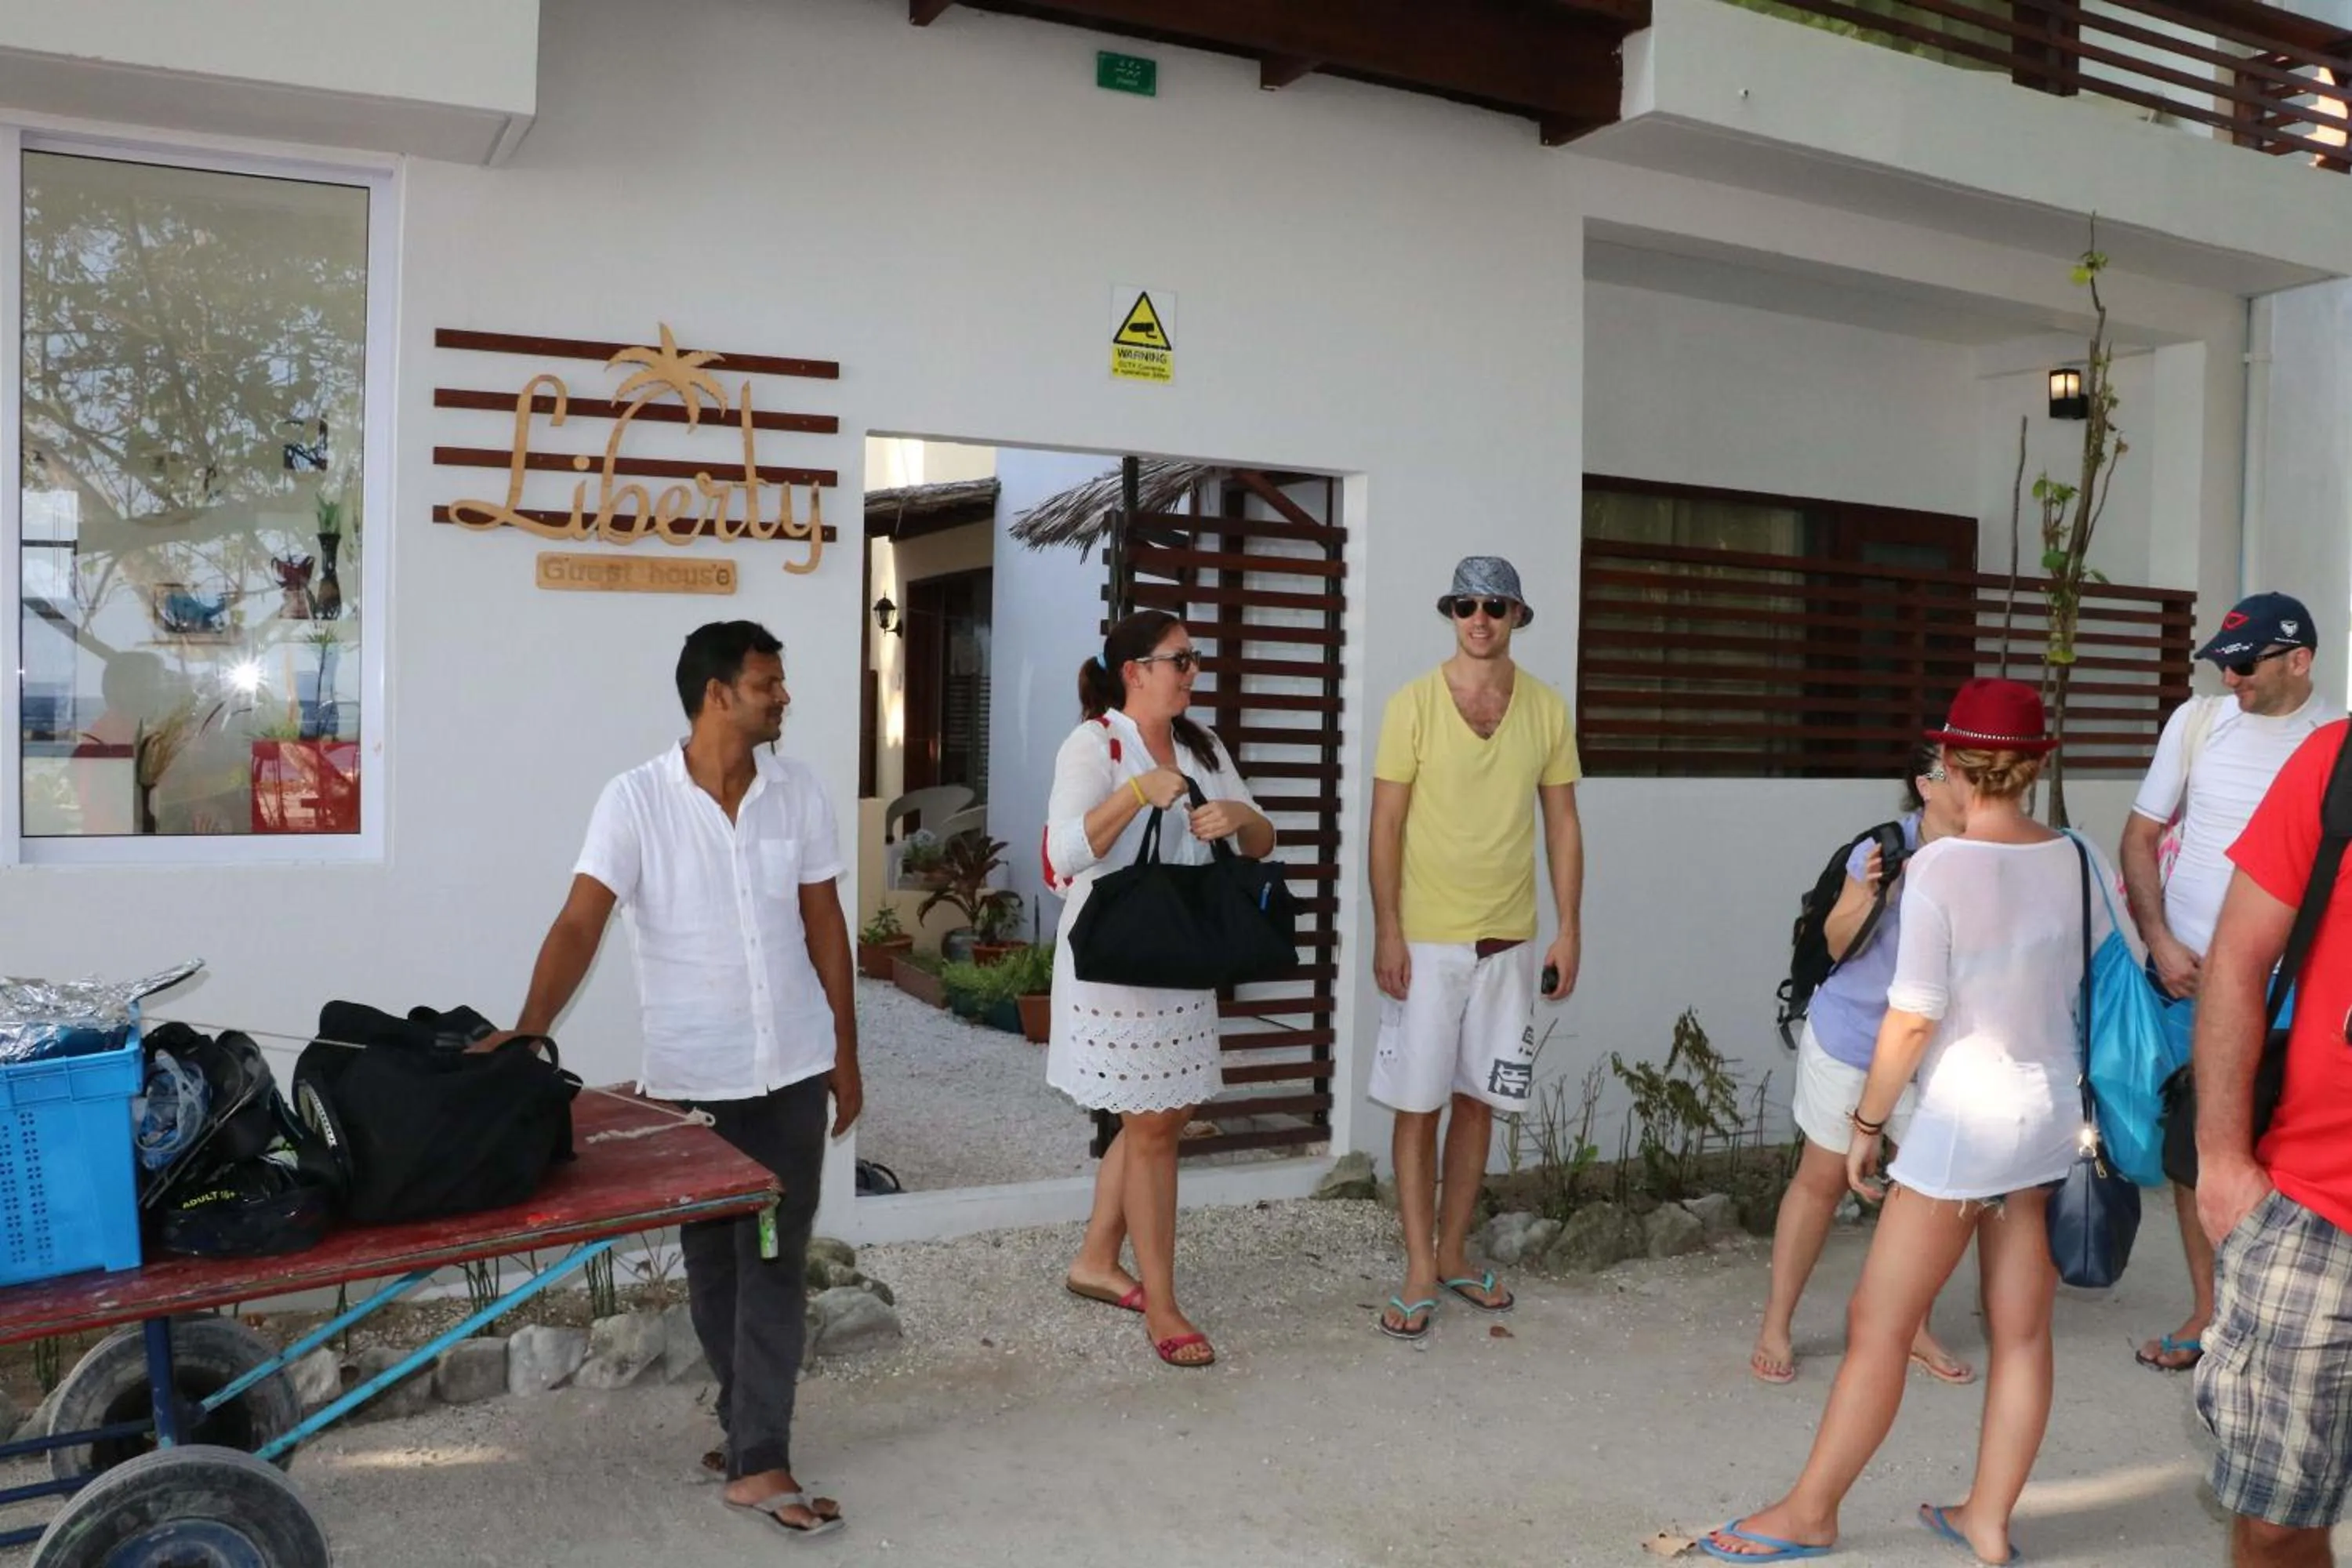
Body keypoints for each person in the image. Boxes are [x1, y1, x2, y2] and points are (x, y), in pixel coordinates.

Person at [1704, 680, 2119, 1565]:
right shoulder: (2080, 856)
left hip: (1963, 1123)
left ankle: (1811, 1510)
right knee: (2022, 1329)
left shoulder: (1939, 869)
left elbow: (1912, 1017)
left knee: (1878, 1322)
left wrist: (1866, 1120)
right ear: (2035, 763)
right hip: (2049, 1121)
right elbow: (2097, 980)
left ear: (1957, 766)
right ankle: (1989, 1519)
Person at [503, 620, 860, 1540]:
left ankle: (759, 1456)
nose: (783, 696)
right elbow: (582, 921)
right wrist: (527, 1032)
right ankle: (748, 1433)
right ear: (716, 693)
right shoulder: (635, 801)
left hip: (790, 1068)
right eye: (767, 683)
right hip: (694, 1079)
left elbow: (826, 928)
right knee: (714, 1268)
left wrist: (846, 1053)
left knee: (774, 1263)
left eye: (779, 682)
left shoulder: (799, 792)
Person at [1042, 609, 1276, 1369]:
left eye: (1195, 658)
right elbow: (1064, 853)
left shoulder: (1203, 744)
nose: (1192, 671)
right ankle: (1164, 1303)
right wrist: (1137, 791)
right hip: (1113, 960)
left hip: (1177, 956)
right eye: (1180, 659)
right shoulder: (1094, 743)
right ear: (1134, 669)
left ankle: (1095, 1260)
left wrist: (1237, 814)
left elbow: (1263, 838)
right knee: (1148, 1128)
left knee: (1157, 1119)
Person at [1368, 555, 1581, 1341]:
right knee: (1416, 1102)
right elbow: (1385, 823)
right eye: (1465, 604)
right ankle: (1419, 1267)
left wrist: (1570, 925)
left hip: (1510, 937)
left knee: (1478, 1098)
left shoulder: (1547, 710)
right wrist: (1388, 928)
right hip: (1425, 938)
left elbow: (1562, 822)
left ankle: (1453, 1251)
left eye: (1494, 604)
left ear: (1518, 614)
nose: (1479, 617)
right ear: (1451, 613)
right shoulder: (1413, 705)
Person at [2125, 592, 2336, 1372]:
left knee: (2285, 1160)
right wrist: (2158, 940)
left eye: (2244, 664)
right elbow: (2141, 835)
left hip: (2296, 994)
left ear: (2299, 660)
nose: (2231, 676)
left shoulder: (2333, 744)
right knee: (2195, 1147)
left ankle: (2279, 1315)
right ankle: (2212, 1309)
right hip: (2193, 983)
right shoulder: (2199, 721)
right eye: (2222, 662)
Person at [1749, 742, 1973, 1388]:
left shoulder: (1986, 854)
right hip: (1853, 1036)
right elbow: (1838, 942)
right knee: (1820, 1178)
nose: (1966, 785)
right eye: (1952, 773)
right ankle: (1777, 1323)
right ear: (1924, 785)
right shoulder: (1881, 848)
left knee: (1928, 1194)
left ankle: (1914, 1327)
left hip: (1935, 1045)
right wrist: (1876, 892)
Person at [2193, 717, 2352, 1568]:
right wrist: (2222, 1157)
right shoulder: (2337, 758)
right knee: (2276, 1522)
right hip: (2317, 1212)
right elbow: (2237, 957)